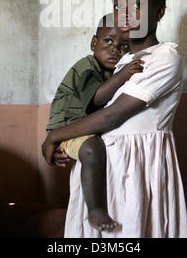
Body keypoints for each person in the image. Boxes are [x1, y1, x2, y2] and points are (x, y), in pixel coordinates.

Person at [42, 0, 187, 238]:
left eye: (136, 5)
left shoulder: (164, 59)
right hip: (103, 172)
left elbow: (111, 117)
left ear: (159, 12)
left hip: (136, 171)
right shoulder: (117, 63)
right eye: (117, 5)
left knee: (134, 229)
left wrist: (55, 135)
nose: (125, 13)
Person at [42, 14, 144, 231]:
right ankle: (95, 209)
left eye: (123, 46)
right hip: (66, 130)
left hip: (81, 128)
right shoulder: (87, 67)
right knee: (91, 150)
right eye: (108, 41)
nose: (115, 49)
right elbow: (96, 98)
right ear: (93, 43)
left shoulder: (109, 71)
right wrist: (123, 75)